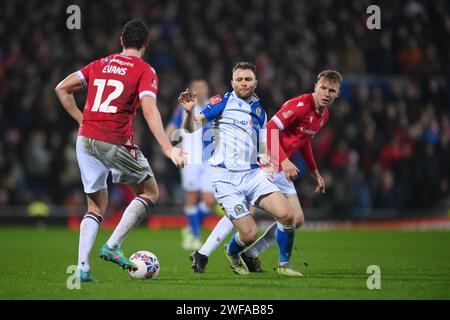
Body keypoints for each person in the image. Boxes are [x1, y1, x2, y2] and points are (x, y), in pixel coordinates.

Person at [55, 20, 186, 282]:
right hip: (113, 139)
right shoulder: (144, 70)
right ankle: (112, 246)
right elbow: (149, 110)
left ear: (121, 41)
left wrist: (82, 120)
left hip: (85, 139)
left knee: (95, 205)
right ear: (146, 44)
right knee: (150, 191)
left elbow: (61, 88)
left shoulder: (100, 63)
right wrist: (167, 147)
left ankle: (82, 268)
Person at [190, 70, 342, 273]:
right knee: (246, 217)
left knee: (294, 219)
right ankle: (215, 253)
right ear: (315, 86)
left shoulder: (322, 115)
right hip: (271, 163)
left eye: (331, 90)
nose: (326, 93)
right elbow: (270, 129)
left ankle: (247, 254)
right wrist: (283, 159)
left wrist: (314, 171)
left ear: (338, 93)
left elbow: (304, 141)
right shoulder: (299, 105)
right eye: (323, 88)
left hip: (280, 165)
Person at [178, 62, 302, 277]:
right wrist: (189, 113)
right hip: (225, 178)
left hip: (253, 174)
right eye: (239, 79)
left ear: (256, 83)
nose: (244, 83)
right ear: (232, 82)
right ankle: (232, 252)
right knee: (249, 234)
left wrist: (268, 159)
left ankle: (284, 265)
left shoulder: (259, 111)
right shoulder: (222, 102)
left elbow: (264, 144)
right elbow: (192, 127)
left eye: (248, 79)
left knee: (287, 214)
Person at [165, 79, 224, 250]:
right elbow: (171, 128)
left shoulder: (213, 108)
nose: (199, 90)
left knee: (209, 200)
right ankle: (195, 235)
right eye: (196, 88)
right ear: (191, 91)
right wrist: (169, 148)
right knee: (191, 197)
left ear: (207, 90)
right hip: (190, 159)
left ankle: (190, 229)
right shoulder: (183, 109)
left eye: (202, 88)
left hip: (210, 159)